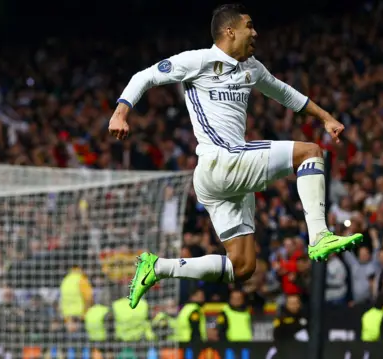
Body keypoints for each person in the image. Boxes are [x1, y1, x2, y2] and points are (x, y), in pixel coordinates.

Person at [109, 3, 363, 308]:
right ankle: (319, 235)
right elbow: (144, 77)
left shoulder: (251, 67)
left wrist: (326, 117)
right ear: (230, 31)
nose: (255, 32)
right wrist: (120, 114)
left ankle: (159, 267)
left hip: (223, 178)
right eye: (249, 26)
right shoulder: (199, 60)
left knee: (242, 267)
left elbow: (284, 93)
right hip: (220, 161)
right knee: (311, 153)